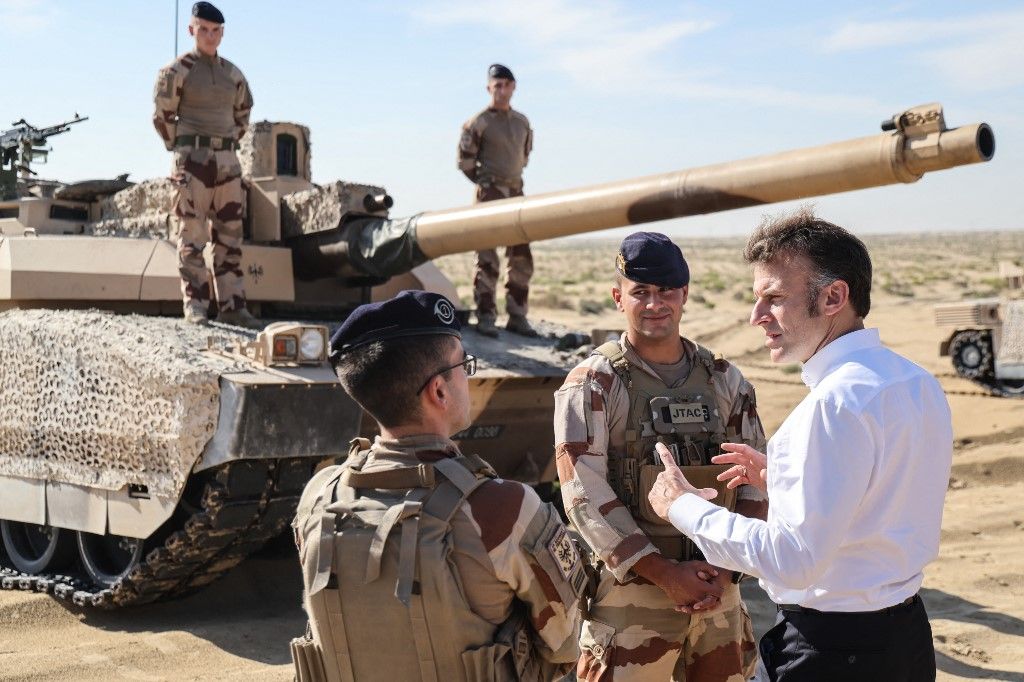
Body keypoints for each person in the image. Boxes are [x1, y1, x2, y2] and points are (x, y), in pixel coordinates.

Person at [649, 209, 952, 681]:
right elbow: (880, 497)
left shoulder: (830, 407)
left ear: (833, 297)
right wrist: (785, 479)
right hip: (905, 641)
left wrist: (684, 507)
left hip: (832, 654)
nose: (756, 317)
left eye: (774, 298)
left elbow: (792, 561)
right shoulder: (915, 381)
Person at [291, 290, 583, 682]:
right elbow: (567, 642)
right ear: (439, 391)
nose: (467, 376)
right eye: (464, 365)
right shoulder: (504, 508)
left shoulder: (318, 495)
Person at [553, 231, 767, 681]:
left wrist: (726, 568)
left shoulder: (724, 379)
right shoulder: (594, 383)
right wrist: (665, 573)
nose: (655, 304)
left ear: (684, 294)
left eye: (666, 291)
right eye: (641, 292)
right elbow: (583, 493)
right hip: (634, 596)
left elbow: (754, 479)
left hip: (718, 590)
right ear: (618, 297)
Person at [152, 2, 259, 328]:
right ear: (192, 30)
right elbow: (162, 116)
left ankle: (233, 306)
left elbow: (244, 113)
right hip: (192, 163)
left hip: (227, 164)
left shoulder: (232, 74)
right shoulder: (177, 71)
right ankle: (196, 306)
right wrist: (183, 147)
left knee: (230, 237)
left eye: (215, 31)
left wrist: (225, 143)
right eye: (203, 30)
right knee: (192, 235)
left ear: (222, 33)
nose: (210, 36)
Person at [458, 63, 536, 338]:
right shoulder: (478, 122)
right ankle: (486, 316)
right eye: (497, 85)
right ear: (489, 88)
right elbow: (465, 162)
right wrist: (487, 184)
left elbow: (524, 157)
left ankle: (517, 315)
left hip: (516, 193)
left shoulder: (522, 122)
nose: (502, 90)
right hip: (489, 193)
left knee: (521, 256)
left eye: (506, 85)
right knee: (487, 257)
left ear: (513, 87)